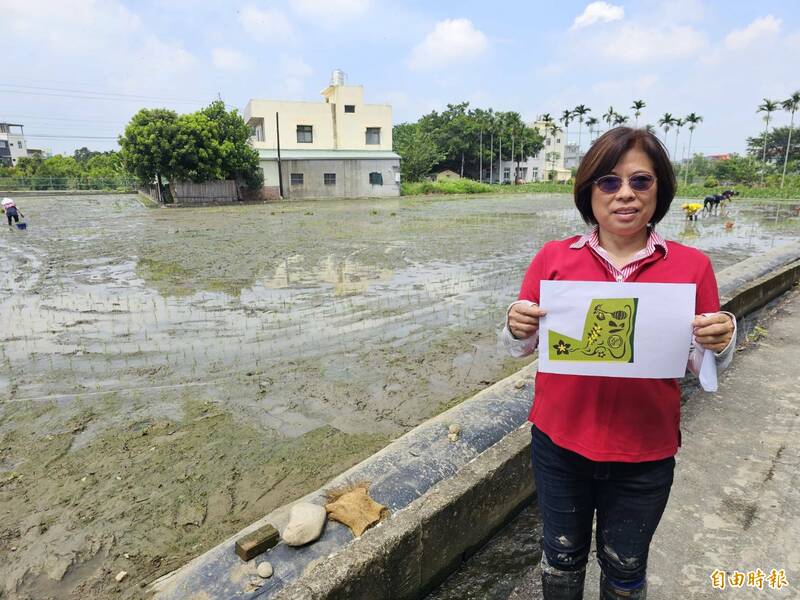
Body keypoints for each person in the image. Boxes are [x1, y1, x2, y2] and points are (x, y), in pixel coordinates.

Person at [503, 127, 736, 600]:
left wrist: (722, 337)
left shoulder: (691, 266)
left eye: (640, 181)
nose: (624, 194)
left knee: (626, 568)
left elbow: (702, 364)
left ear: (660, 190)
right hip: (560, 443)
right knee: (561, 559)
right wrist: (515, 325)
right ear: (589, 191)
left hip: (644, 453)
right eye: (608, 182)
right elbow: (522, 347)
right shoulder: (554, 258)